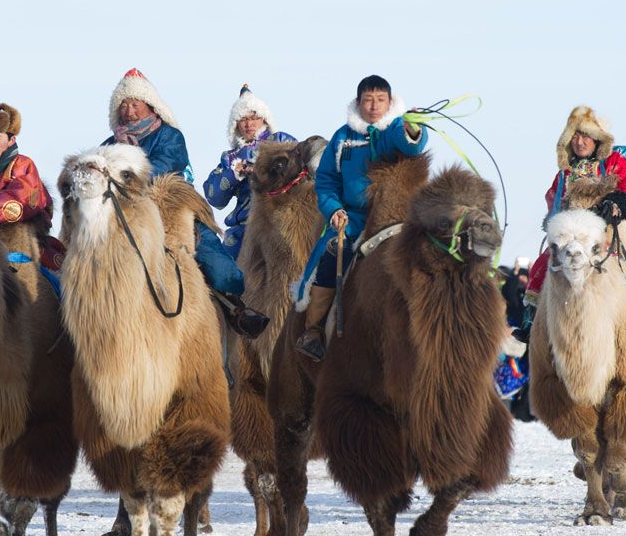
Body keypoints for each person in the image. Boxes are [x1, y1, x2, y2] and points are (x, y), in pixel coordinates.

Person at [102, 68, 266, 337]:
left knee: (219, 266)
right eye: (124, 105)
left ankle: (235, 310)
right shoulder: (110, 143)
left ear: (149, 105)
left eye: (135, 104)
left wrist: (124, 175)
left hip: (169, 203)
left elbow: (162, 167)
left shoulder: (169, 135)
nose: (129, 111)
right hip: (124, 212)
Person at [522, 106, 626, 342]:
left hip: (612, 224)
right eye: (575, 136)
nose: (580, 142)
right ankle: (531, 321)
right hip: (575, 233)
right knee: (542, 264)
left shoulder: (616, 160)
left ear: (597, 139)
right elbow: (555, 206)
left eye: (585, 136)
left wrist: (614, 204)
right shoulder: (564, 174)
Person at [294, 75, 428, 361]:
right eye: (368, 100)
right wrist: (335, 210)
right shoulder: (343, 137)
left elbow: (411, 145)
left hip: (397, 218)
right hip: (352, 220)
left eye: (380, 100)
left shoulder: (394, 129)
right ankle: (314, 329)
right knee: (331, 254)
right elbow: (327, 181)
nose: (374, 106)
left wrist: (413, 128)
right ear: (358, 102)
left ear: (390, 102)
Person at [203, 84, 296, 258]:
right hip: (244, 226)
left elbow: (300, 168)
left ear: (264, 119)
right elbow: (214, 197)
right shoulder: (229, 157)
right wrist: (233, 173)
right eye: (243, 119)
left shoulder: (281, 140)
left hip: (281, 219)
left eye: (254, 117)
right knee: (223, 269)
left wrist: (262, 167)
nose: (249, 124)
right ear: (236, 124)